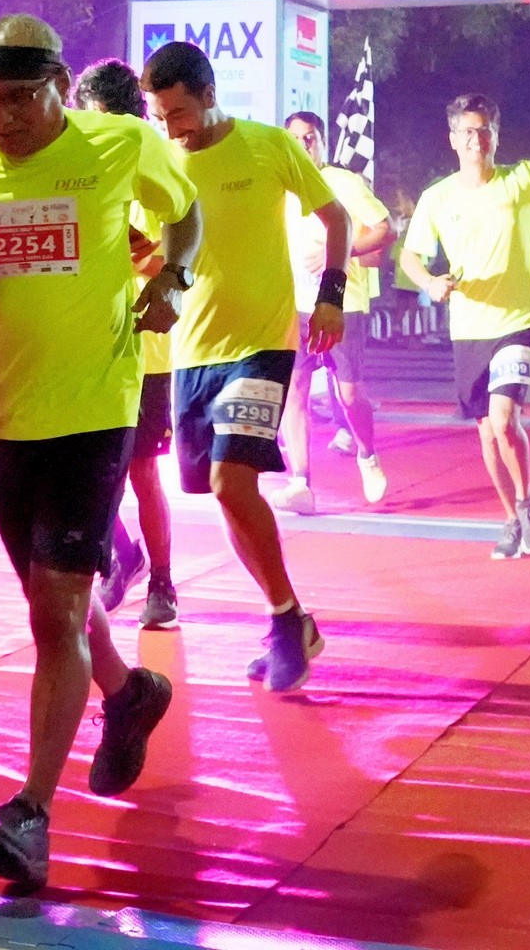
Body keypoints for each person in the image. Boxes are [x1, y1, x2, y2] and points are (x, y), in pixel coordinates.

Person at [0, 17, 201, 890]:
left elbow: (185, 216)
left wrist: (173, 281)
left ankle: (30, 816)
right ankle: (129, 694)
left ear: (60, 84)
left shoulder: (122, 142)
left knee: (54, 617)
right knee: (47, 599)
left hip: (96, 411)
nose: (5, 117)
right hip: (2, 417)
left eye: (20, 98)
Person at [143, 40, 345, 692]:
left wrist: (332, 297)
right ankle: (290, 619)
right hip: (190, 353)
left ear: (209, 94)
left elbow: (335, 217)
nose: (170, 128)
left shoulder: (268, 145)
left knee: (232, 483)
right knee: (227, 499)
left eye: (178, 113)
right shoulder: (159, 162)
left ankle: (286, 622)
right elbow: (155, 255)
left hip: (262, 344)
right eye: (157, 116)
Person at [399, 75, 530, 558]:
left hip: (518, 322)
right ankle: (512, 515)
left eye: (484, 129)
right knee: (487, 431)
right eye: (467, 131)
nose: (477, 139)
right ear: (453, 139)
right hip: (468, 327)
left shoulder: (522, 179)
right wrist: (430, 282)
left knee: (503, 415)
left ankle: (528, 501)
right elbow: (411, 255)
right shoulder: (437, 197)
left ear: (496, 135)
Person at [71, 59, 183, 629]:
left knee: (141, 472)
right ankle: (122, 554)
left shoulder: (156, 164)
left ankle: (161, 583)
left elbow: (176, 259)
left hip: (144, 349)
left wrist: (131, 244)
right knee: (78, 471)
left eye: (92, 116)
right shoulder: (74, 168)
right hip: (87, 343)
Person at [281, 110, 395, 508]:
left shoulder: (344, 182)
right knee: (294, 391)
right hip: (294, 305)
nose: (304, 144)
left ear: (323, 141)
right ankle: (300, 482)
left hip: (342, 303)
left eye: (311, 137)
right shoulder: (279, 186)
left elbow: (386, 228)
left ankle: (367, 455)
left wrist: (340, 251)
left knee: (349, 395)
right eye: (296, 138)